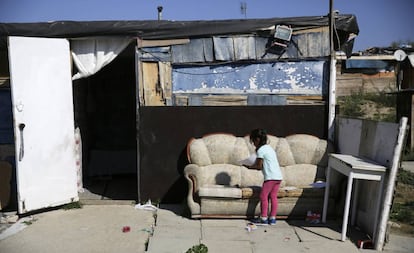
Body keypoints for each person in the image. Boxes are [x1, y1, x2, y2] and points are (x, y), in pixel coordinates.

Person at [246, 128, 283, 225]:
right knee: (273, 197)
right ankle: (273, 218)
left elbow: (259, 166)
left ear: (257, 139)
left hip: (270, 177)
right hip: (278, 177)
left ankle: (263, 218)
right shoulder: (269, 148)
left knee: (263, 196)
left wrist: (248, 166)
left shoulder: (261, 150)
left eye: (253, 141)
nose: (253, 144)